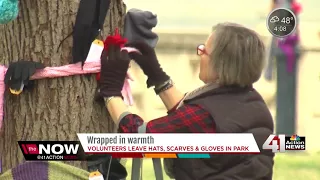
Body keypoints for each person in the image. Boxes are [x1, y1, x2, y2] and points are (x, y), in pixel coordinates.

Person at [98, 22, 274, 180]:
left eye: (204, 50)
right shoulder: (255, 104)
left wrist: (111, 93)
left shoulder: (205, 116)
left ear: (221, 64)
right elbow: (190, 117)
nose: (199, 55)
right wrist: (156, 75)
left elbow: (140, 138)